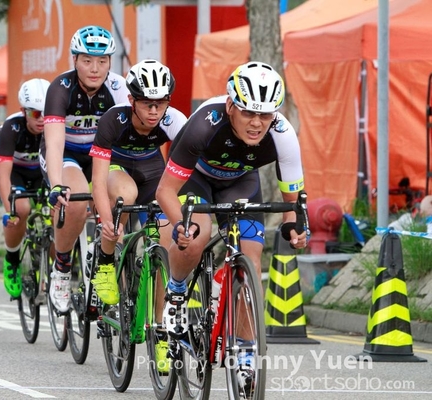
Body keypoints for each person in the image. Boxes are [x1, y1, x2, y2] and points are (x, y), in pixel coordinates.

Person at [155, 61, 308, 384]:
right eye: (248, 112)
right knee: (197, 236)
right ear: (230, 106)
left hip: (240, 182)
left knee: (251, 257)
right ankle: (177, 291)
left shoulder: (282, 134)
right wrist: (179, 226)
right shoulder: (205, 124)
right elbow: (165, 191)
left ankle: (246, 353)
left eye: (265, 115)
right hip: (195, 178)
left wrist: (294, 226)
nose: (257, 123)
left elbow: (292, 201)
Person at [41, 25, 130, 312]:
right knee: (76, 200)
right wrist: (56, 185)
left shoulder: (119, 88)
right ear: (75, 60)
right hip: (66, 153)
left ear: (110, 62)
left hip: (101, 154)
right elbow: (54, 144)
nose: (95, 68)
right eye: (87, 60)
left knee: (122, 199)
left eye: (102, 61)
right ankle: (62, 266)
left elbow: (128, 138)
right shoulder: (60, 88)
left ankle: (105, 257)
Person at [89, 59, 185, 304]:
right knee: (125, 193)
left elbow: (187, 172)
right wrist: (107, 222)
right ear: (131, 100)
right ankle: (105, 261)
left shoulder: (175, 120)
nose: (154, 111)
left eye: (160, 103)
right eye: (146, 103)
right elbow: (98, 182)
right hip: (116, 167)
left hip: (152, 170)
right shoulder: (113, 120)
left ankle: (159, 321)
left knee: (165, 241)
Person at [0, 78, 50, 298]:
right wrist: (9, 209)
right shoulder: (12, 127)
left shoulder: (56, 125)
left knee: (58, 213)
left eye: (46, 112)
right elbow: (3, 173)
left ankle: (56, 269)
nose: (42, 118)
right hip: (16, 174)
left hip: (42, 173)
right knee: (21, 209)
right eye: (36, 113)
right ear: (23, 111)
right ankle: (12, 258)